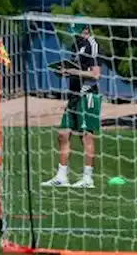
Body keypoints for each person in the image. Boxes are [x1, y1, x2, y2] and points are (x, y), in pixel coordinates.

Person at [43, 21, 101, 189]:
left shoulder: (93, 45)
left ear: (86, 29)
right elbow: (75, 69)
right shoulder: (76, 46)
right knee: (62, 134)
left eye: (78, 32)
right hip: (73, 96)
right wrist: (64, 72)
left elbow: (96, 75)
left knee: (86, 136)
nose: (76, 35)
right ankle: (61, 176)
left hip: (87, 95)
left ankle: (87, 178)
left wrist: (74, 72)